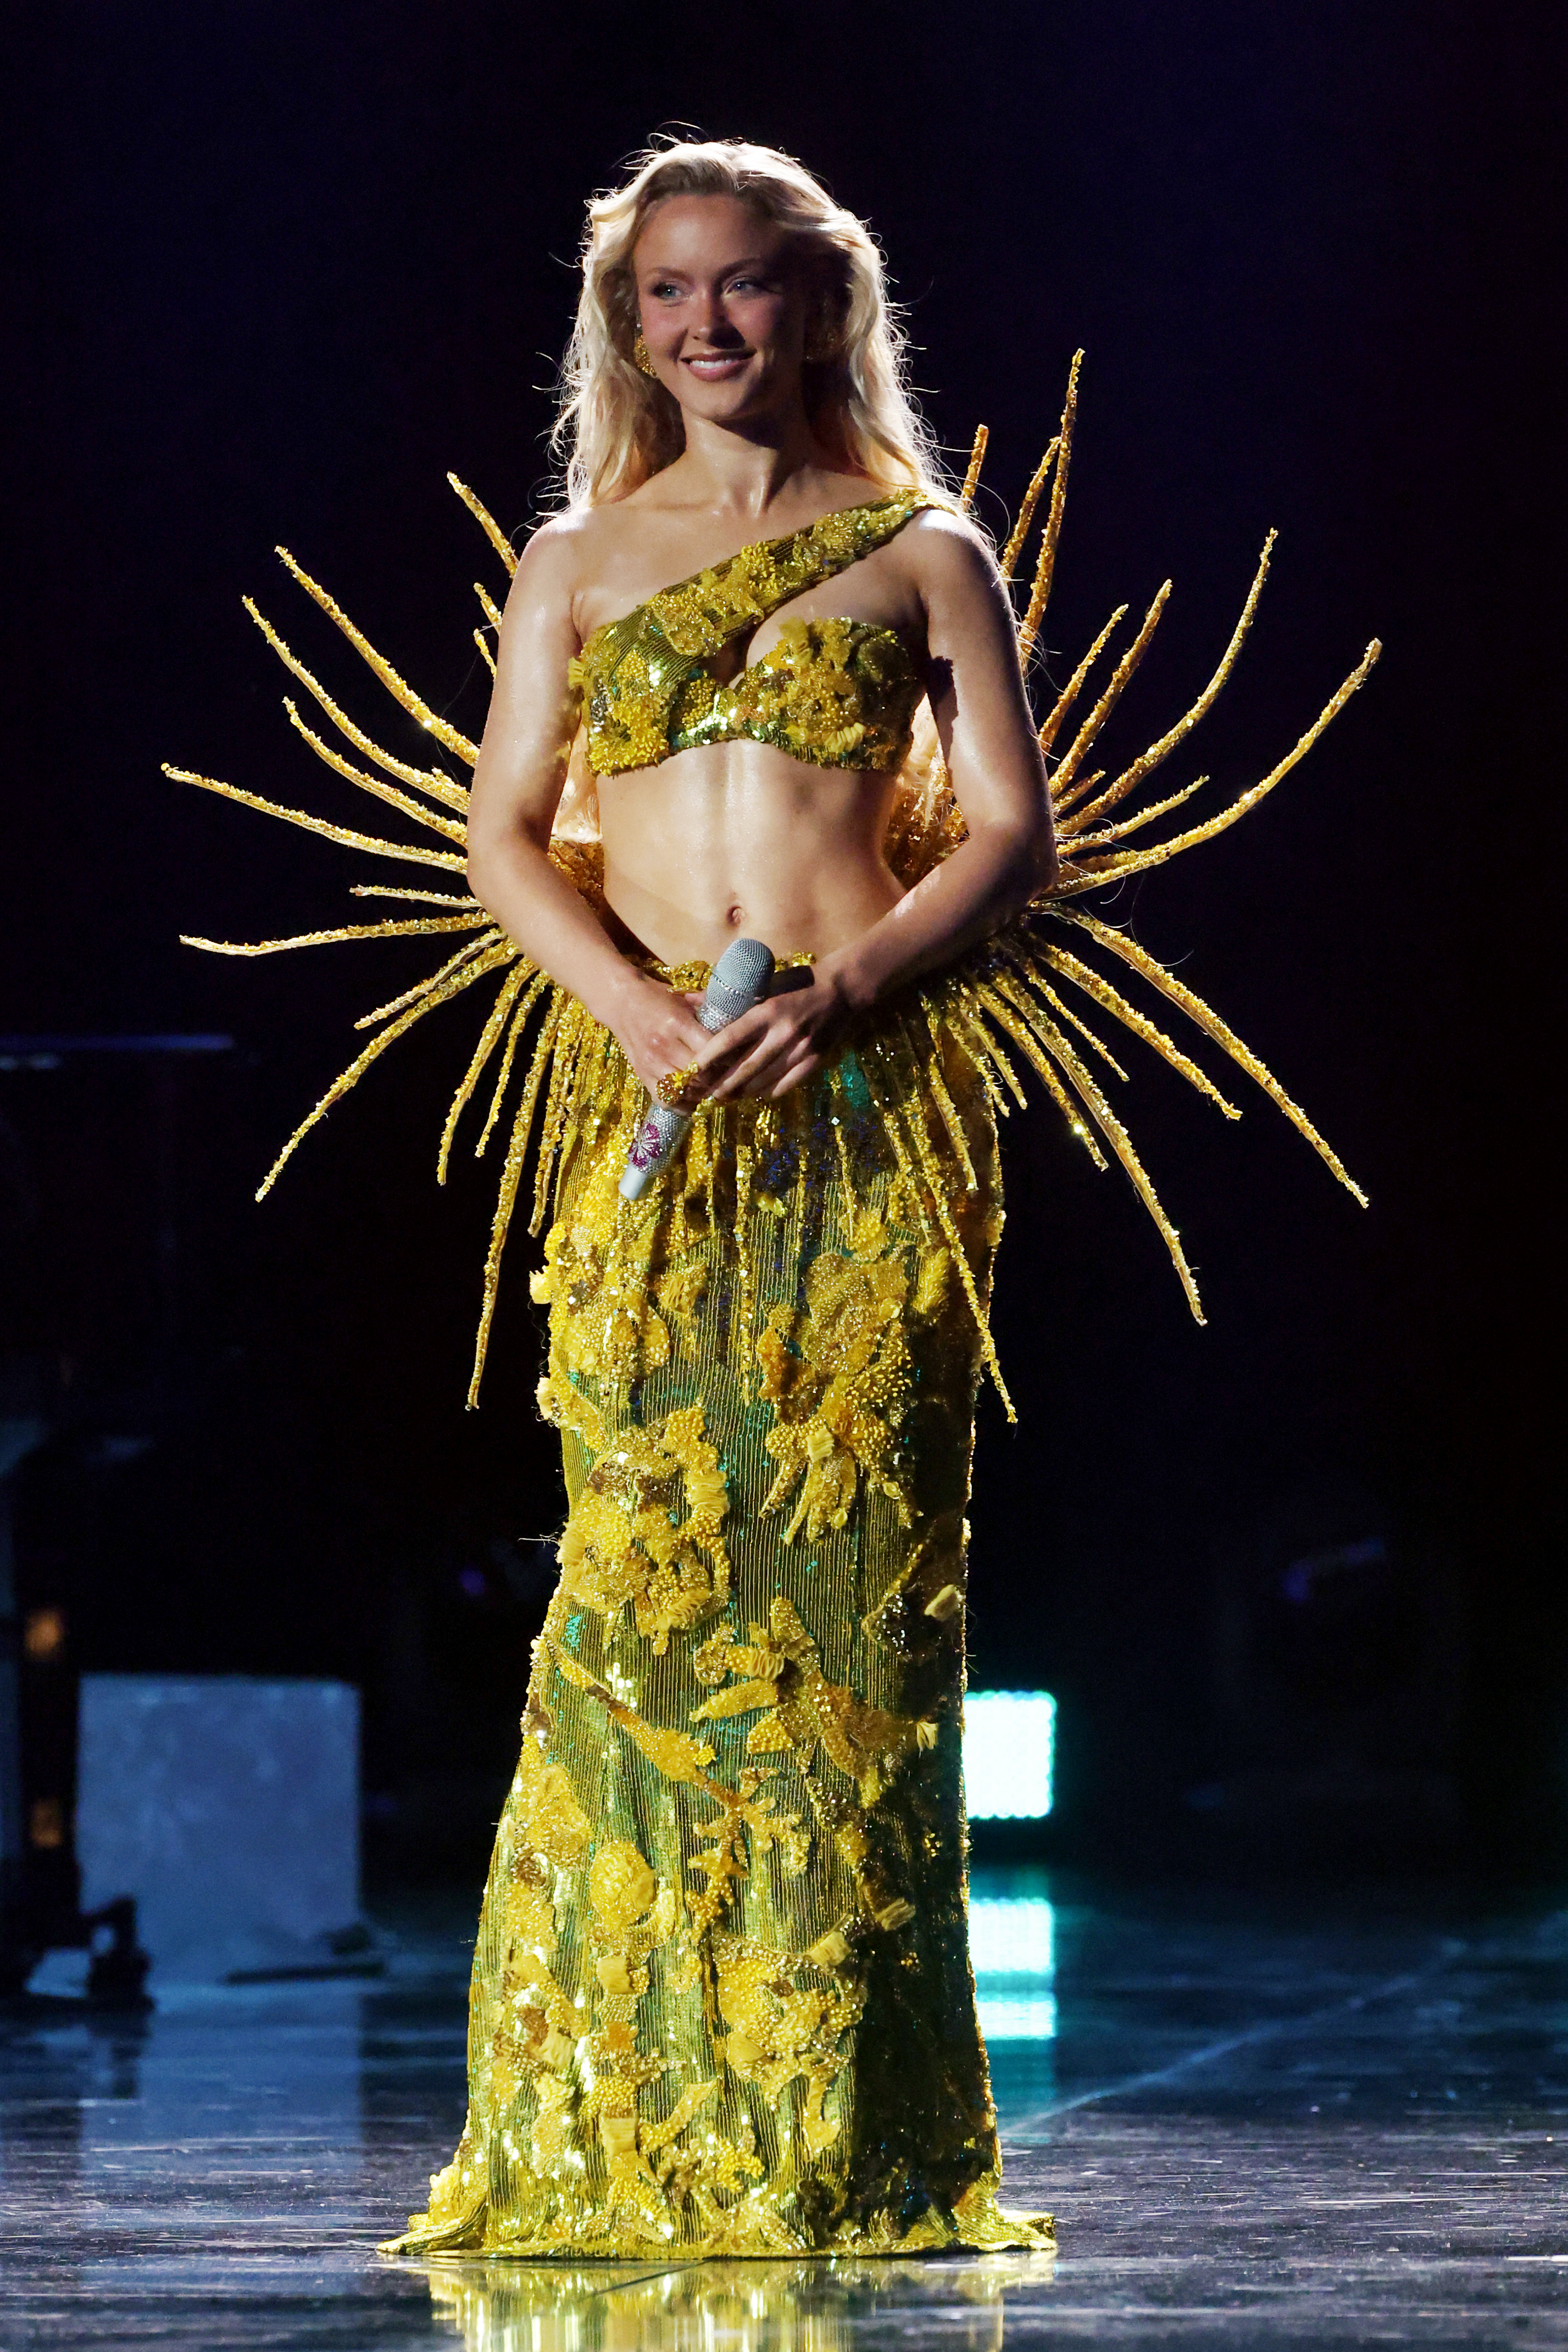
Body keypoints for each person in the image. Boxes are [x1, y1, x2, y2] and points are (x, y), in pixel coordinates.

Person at [172, 135, 1375, 2259]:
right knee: (636, 1589)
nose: (703, 324)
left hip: (859, 1110)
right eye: (664, 295)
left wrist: (849, 988)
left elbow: (1013, 833)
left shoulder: (921, 548)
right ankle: (615, 2129)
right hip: (649, 1108)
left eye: (739, 286)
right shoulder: (576, 558)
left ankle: (832, 2127)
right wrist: (634, 1014)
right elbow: (505, 839)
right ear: (623, 324)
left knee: (839, 1606)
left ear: (821, 303)